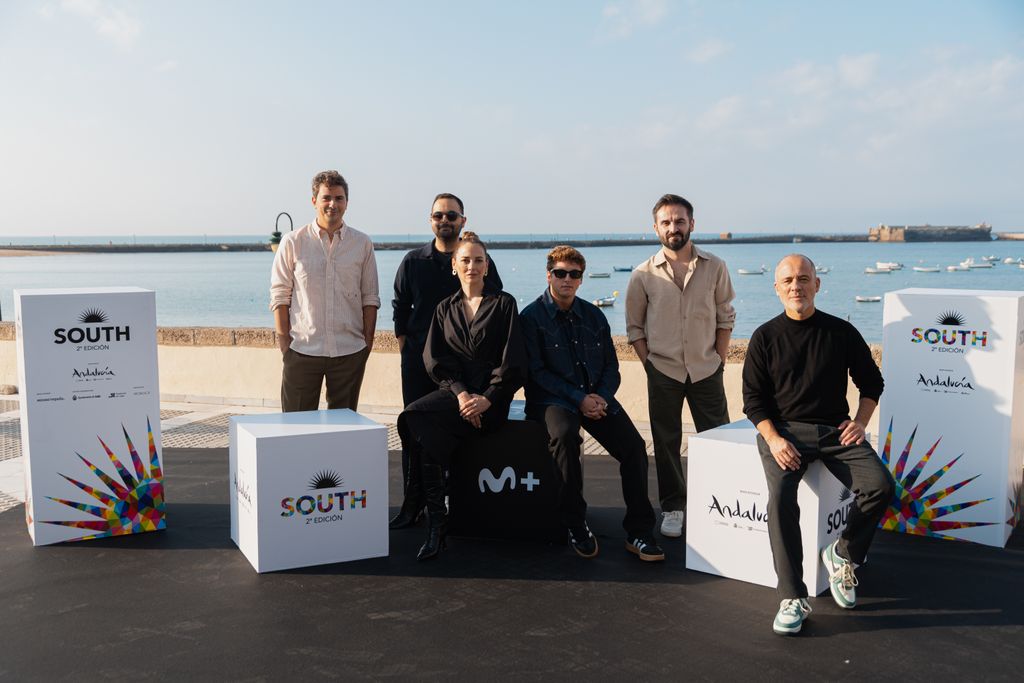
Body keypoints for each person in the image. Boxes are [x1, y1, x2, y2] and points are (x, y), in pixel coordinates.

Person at [742, 254, 894, 636]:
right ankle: (792, 596)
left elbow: (872, 383)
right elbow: (753, 401)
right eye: (789, 280)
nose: (797, 286)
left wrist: (859, 423)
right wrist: (774, 439)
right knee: (779, 499)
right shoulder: (764, 337)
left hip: (834, 432)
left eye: (804, 278)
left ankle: (843, 554)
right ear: (777, 288)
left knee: (880, 485)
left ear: (817, 284)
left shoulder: (840, 332)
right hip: (784, 433)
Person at [520, 246, 664, 562]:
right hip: (553, 400)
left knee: (635, 448)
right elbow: (536, 373)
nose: (566, 280)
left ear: (581, 279)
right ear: (549, 275)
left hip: (596, 398)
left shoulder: (594, 315)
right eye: (560, 273)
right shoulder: (530, 318)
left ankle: (639, 531)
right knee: (566, 437)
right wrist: (579, 399)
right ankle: (575, 523)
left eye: (574, 274)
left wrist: (601, 398)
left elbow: (612, 367)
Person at [397, 232, 526, 561]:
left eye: (478, 260)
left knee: (428, 436)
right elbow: (435, 360)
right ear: (454, 266)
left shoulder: (504, 304)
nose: (472, 265)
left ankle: (430, 518)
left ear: (487, 266)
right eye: (465, 260)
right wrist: (460, 394)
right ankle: (437, 522)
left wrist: (487, 398)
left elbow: (513, 363)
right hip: (455, 395)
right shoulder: (444, 308)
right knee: (412, 416)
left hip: (491, 401)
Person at [389, 193, 502, 529]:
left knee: (455, 433)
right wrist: (407, 350)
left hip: (462, 368)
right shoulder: (413, 261)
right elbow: (399, 308)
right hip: (418, 364)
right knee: (413, 430)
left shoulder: (477, 260)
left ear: (463, 221)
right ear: (431, 220)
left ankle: (453, 500)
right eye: (439, 215)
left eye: (452, 215)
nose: (445, 220)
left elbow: (493, 305)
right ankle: (414, 503)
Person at [625, 194, 735, 538]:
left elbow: (725, 316)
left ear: (692, 223)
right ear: (656, 228)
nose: (674, 227)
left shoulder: (715, 266)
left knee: (719, 438)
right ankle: (673, 507)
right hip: (664, 372)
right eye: (667, 222)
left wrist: (717, 358)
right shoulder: (642, 275)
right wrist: (650, 365)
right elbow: (635, 328)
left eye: (680, 221)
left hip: (706, 369)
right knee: (666, 442)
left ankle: (722, 502)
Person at [270, 170, 380, 412]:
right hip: (301, 351)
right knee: (296, 427)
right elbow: (280, 296)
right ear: (314, 201)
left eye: (339, 198)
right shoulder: (292, 242)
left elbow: (370, 297)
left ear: (347, 203)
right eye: (326, 198)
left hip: (349, 352)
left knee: (342, 431)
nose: (333, 204)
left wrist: (367, 343)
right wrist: (285, 344)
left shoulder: (362, 244)